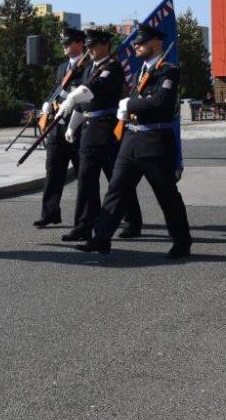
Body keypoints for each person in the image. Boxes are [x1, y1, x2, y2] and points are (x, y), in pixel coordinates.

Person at [76, 23, 191, 259]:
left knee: (166, 194)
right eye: (136, 43)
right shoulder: (141, 72)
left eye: (141, 43)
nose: (136, 46)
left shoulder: (168, 71)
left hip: (155, 141)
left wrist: (129, 104)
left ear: (156, 43)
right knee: (116, 190)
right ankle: (101, 238)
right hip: (131, 140)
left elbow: (161, 102)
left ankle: (181, 241)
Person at [53, 28, 142, 241]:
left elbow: (92, 89)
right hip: (89, 131)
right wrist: (72, 126)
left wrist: (70, 98)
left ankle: (132, 221)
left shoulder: (112, 68)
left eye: (93, 46)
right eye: (88, 46)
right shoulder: (88, 70)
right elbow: (82, 104)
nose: (90, 50)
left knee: (117, 181)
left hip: (108, 131)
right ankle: (83, 225)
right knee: (86, 181)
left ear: (105, 46)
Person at [33, 27, 88, 228]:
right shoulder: (62, 67)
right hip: (57, 127)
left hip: (78, 126)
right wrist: (48, 103)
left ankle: (88, 216)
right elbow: (56, 90)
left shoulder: (88, 66)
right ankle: (49, 213)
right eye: (63, 43)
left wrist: (67, 99)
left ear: (80, 43)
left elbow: (84, 93)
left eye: (68, 42)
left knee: (84, 175)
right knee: (53, 171)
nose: (64, 46)